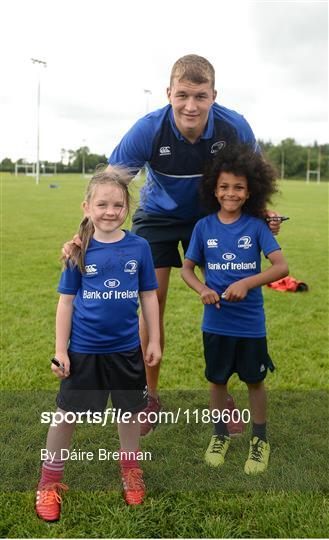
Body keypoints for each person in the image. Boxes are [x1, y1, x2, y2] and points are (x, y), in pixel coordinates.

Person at [65, 54, 281, 436]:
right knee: (153, 300)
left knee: (224, 298)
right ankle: (148, 395)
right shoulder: (147, 130)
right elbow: (109, 185)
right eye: (182, 95)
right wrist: (82, 235)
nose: (190, 105)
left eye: (200, 96)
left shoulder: (235, 126)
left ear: (214, 95)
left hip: (210, 217)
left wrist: (263, 215)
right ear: (169, 93)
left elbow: (254, 178)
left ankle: (224, 396)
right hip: (157, 217)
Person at [36, 167, 161, 521]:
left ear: (127, 208)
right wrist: (61, 350)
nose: (110, 211)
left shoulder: (139, 246)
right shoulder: (79, 248)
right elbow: (66, 302)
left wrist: (150, 339)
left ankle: (130, 471)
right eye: (102, 204)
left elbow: (149, 295)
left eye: (118, 205)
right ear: (87, 207)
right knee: (66, 415)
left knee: (130, 413)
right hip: (85, 352)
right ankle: (48, 482)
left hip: (126, 351)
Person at [181, 143, 289, 474]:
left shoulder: (257, 227)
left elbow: (281, 268)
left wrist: (247, 283)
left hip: (250, 324)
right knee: (217, 381)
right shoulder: (203, 227)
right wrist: (202, 289)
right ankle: (219, 435)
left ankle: (260, 440)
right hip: (215, 323)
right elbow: (187, 268)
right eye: (224, 186)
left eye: (238, 187)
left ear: (250, 190)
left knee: (254, 382)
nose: (231, 193)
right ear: (214, 189)